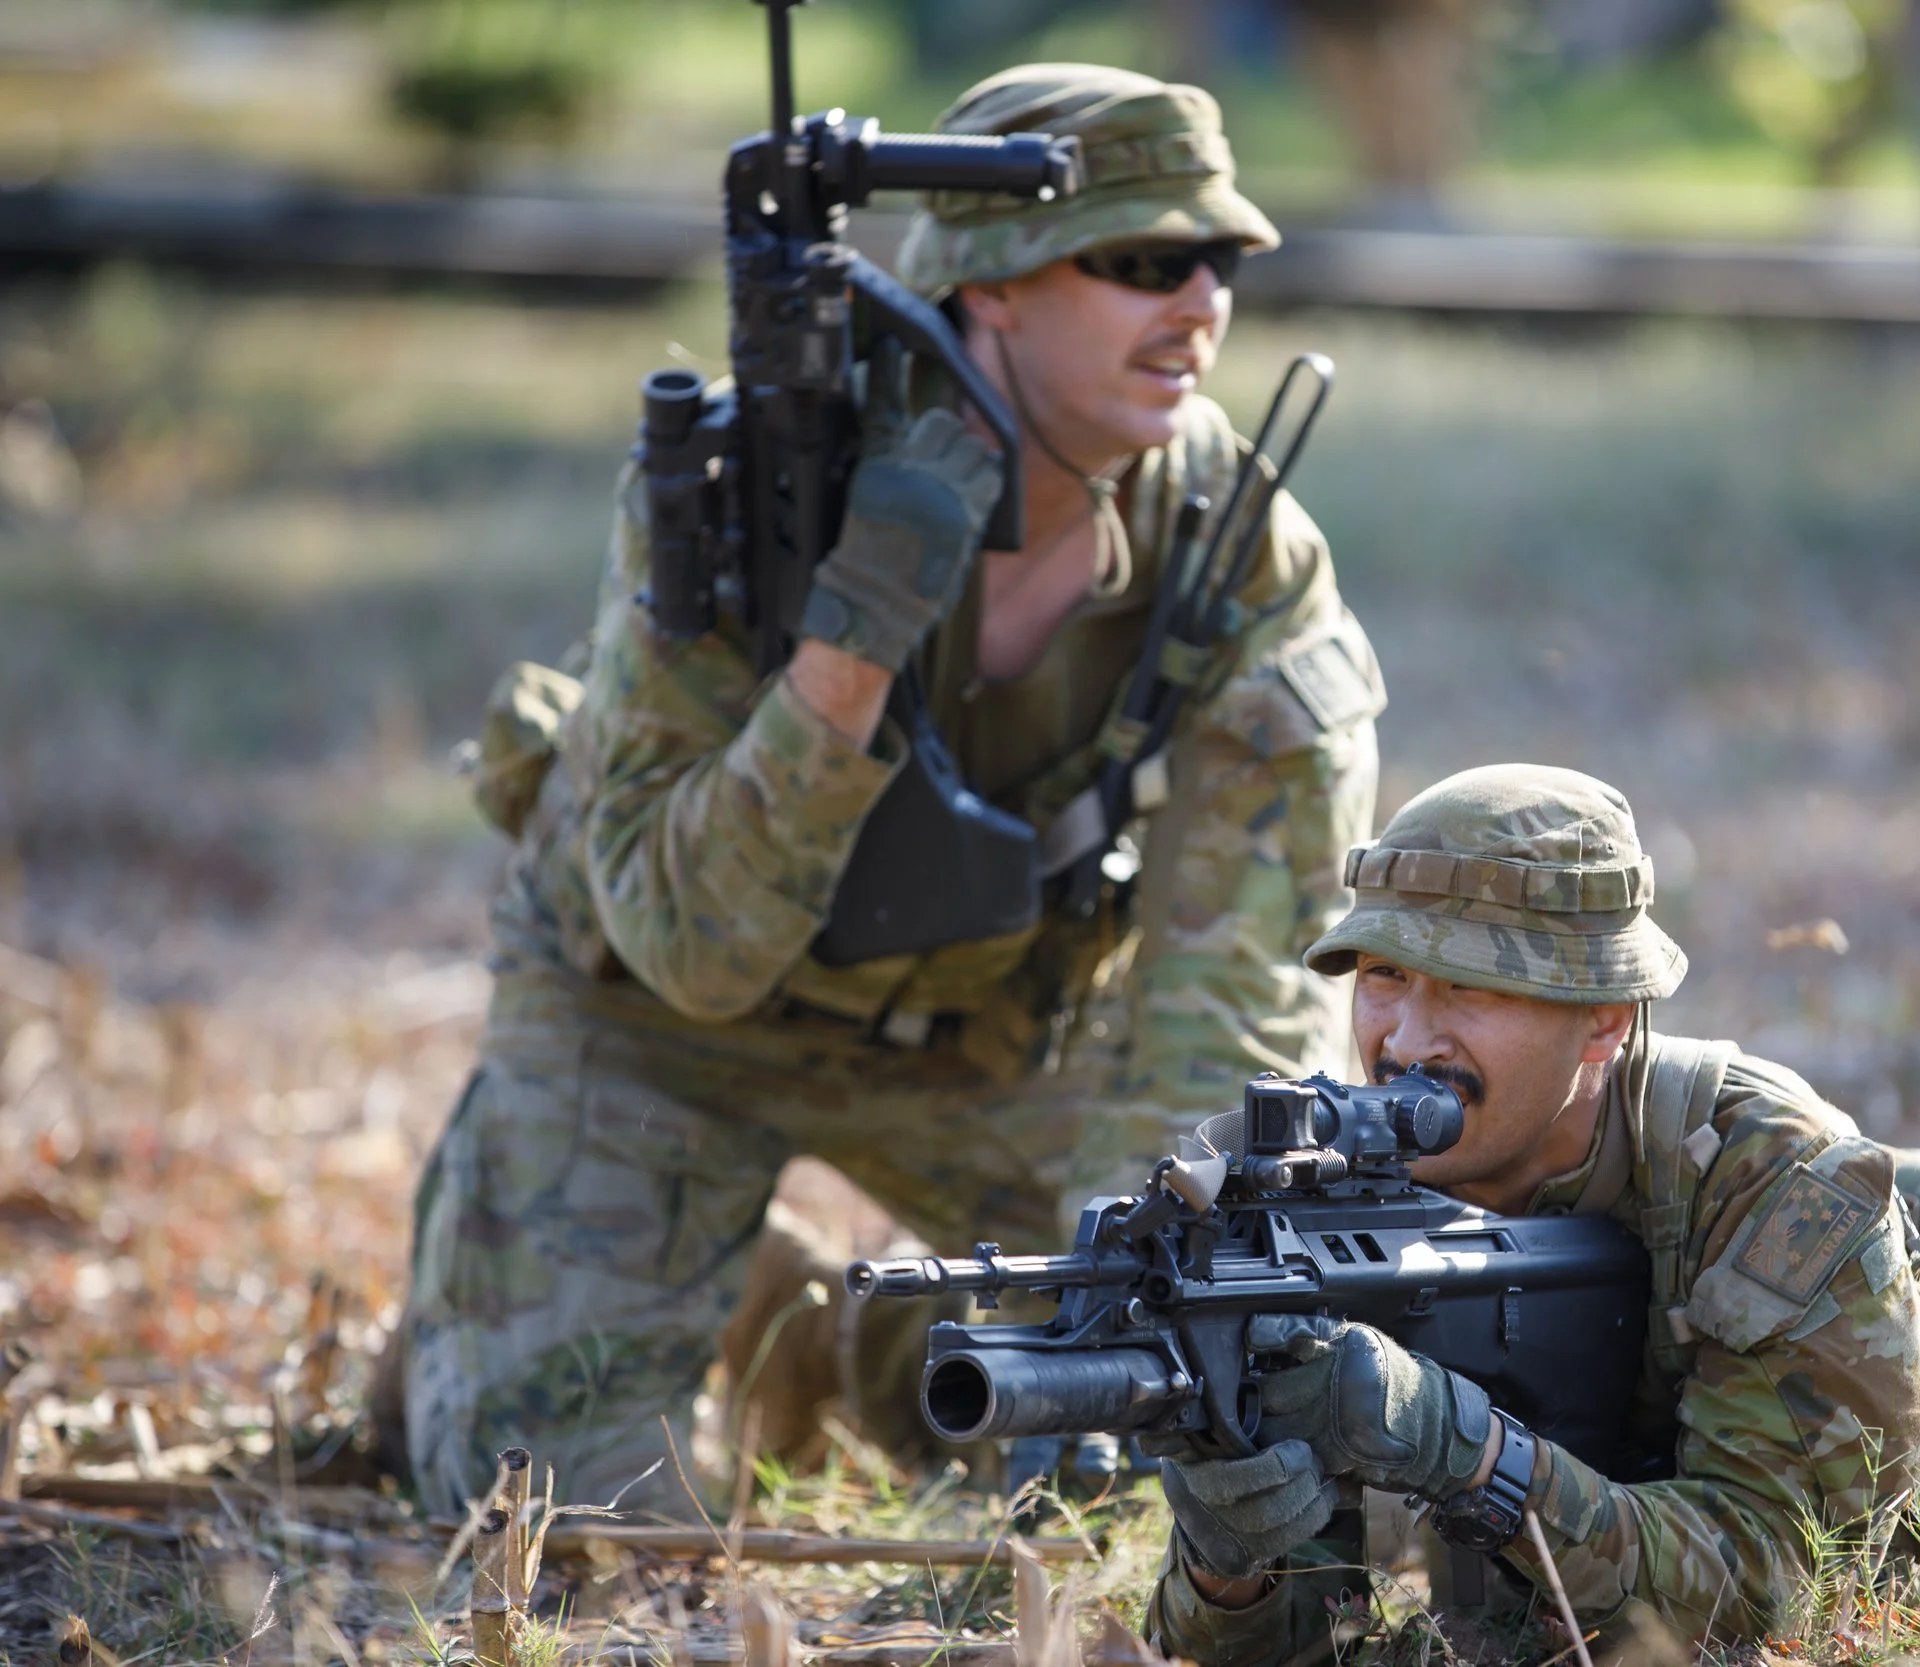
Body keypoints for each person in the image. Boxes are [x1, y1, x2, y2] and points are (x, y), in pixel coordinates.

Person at [388, 63, 1386, 1518]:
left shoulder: (1234, 545)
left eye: (1218, 259)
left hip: (991, 1029)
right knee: (577, 1520)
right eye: (1141, 262)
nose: (1200, 307)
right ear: (991, 287)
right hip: (660, 1026)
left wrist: (1162, 1310)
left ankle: (852, 1331)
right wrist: (848, 650)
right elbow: (689, 943)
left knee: (1186, 1459)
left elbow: (1222, 1010)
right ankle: (637, 1274)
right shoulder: (741, 489)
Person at [1145, 763, 1920, 1664]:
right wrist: (1233, 1566)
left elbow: (1784, 1590)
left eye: (1468, 987)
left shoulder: (1771, 1177)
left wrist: (1467, 1453)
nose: (1407, 1040)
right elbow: (1294, 1648)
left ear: (1603, 1021)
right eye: (1386, 974)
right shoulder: (1334, 1203)